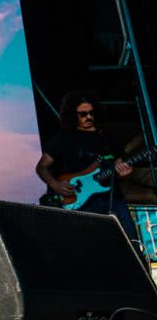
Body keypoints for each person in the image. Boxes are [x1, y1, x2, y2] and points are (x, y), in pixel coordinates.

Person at [35, 90, 137, 239]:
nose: (88, 117)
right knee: (91, 245)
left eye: (91, 112)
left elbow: (119, 163)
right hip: (82, 201)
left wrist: (127, 170)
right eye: (83, 114)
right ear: (73, 115)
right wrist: (55, 184)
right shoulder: (64, 138)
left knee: (130, 241)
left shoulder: (109, 137)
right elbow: (41, 167)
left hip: (113, 197)